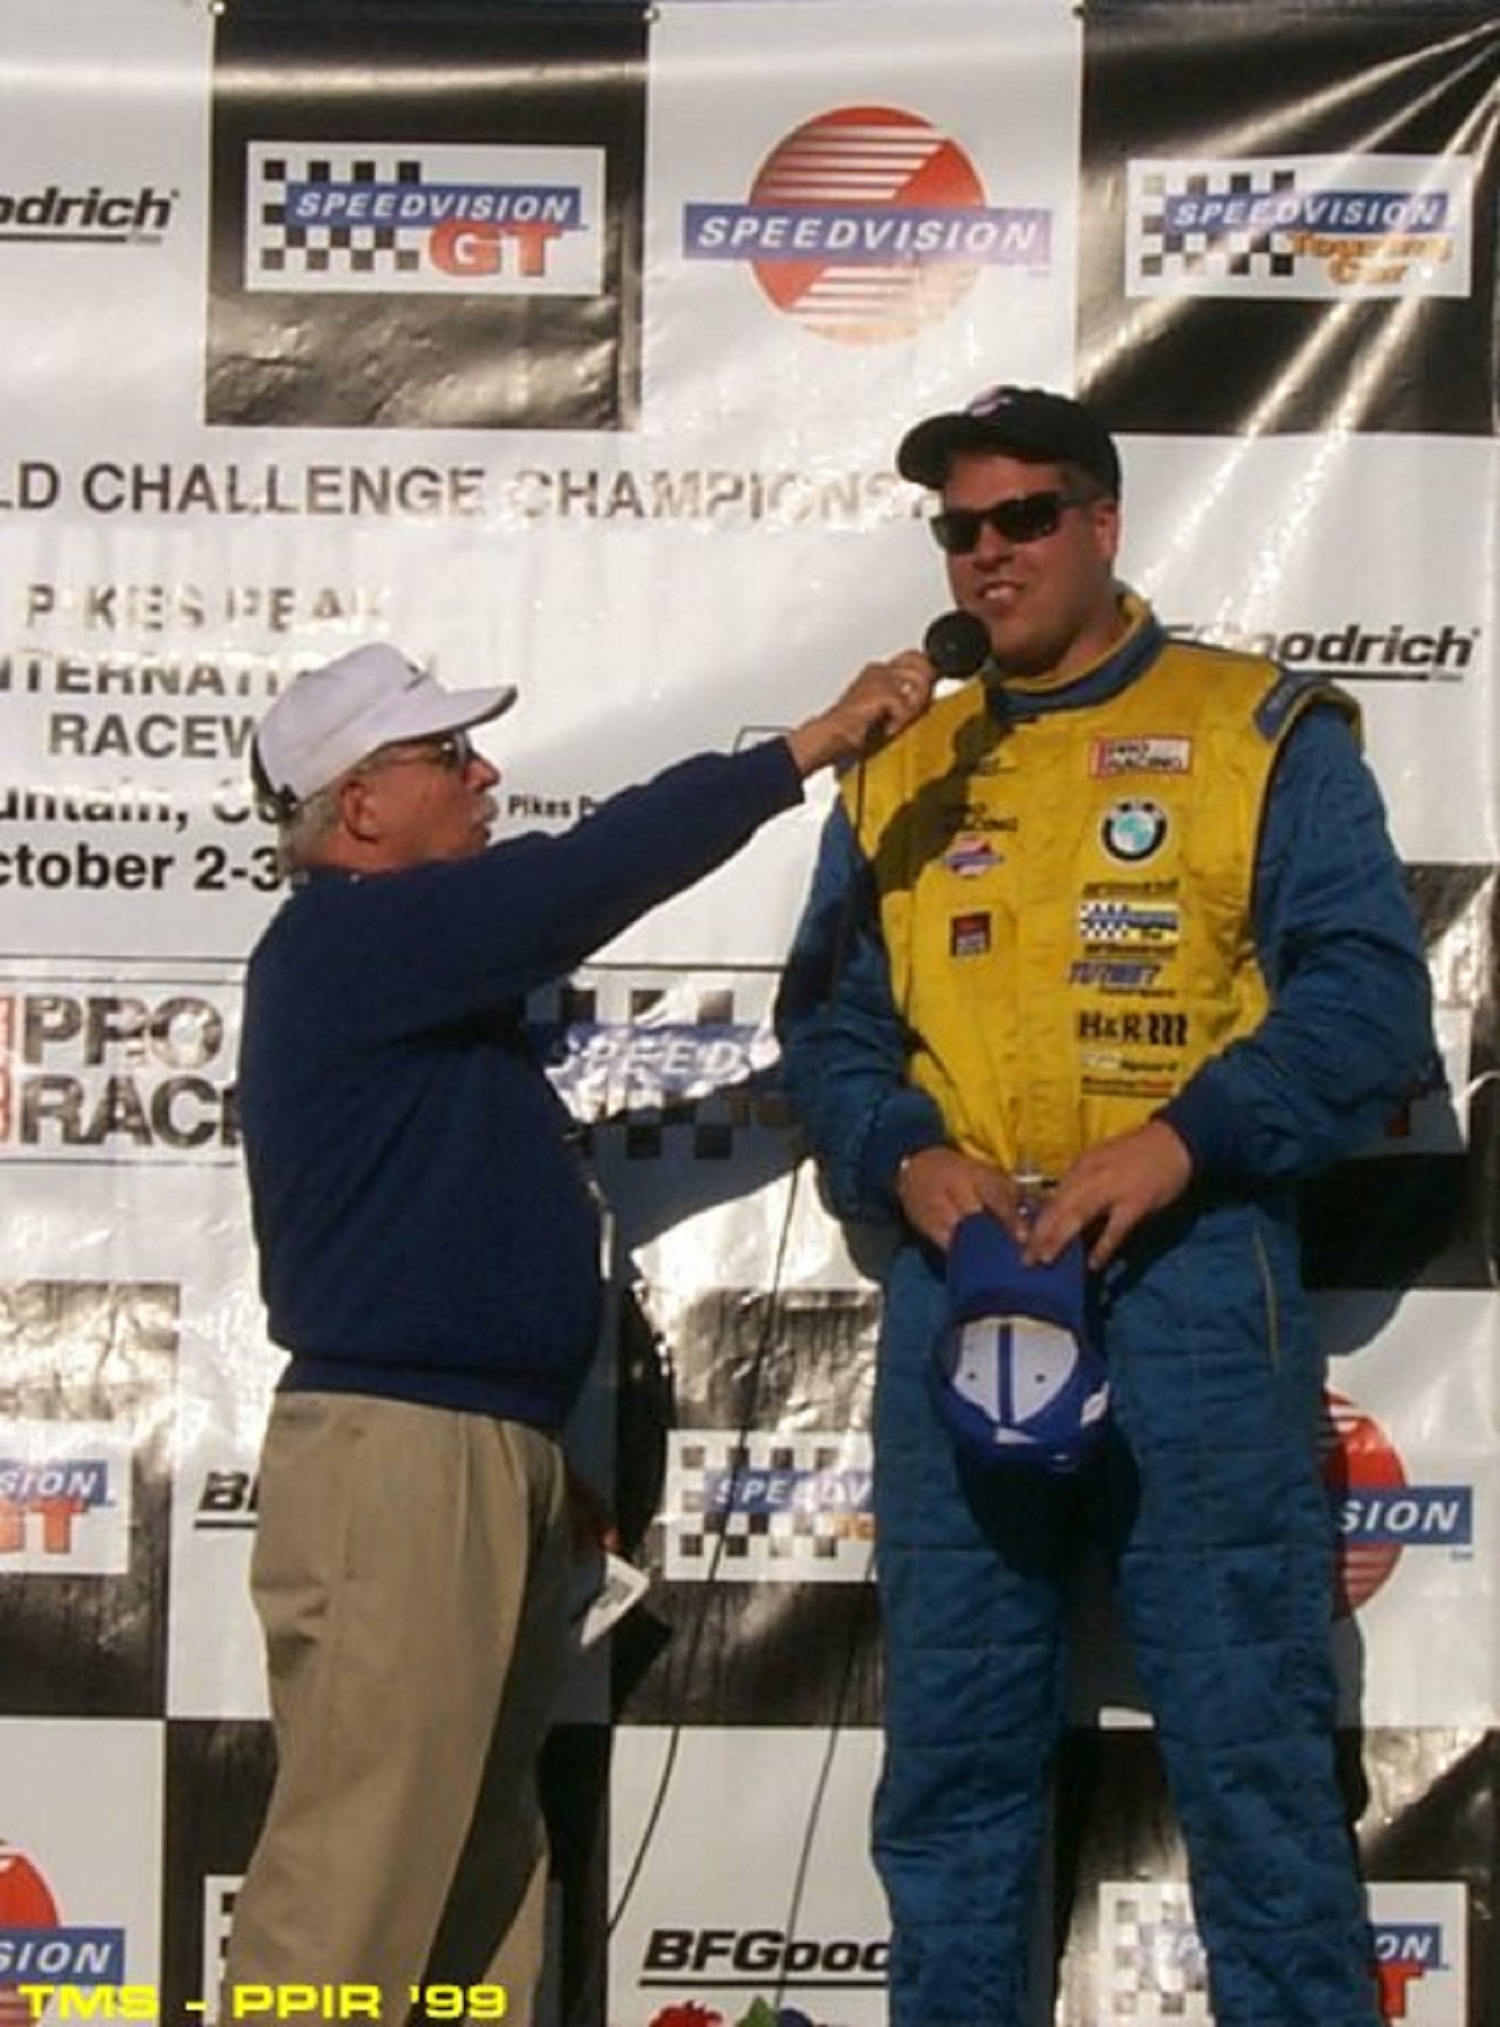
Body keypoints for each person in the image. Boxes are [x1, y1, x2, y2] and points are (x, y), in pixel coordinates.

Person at [774, 383, 1437, 2027]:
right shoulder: (900, 758)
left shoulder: (1258, 726)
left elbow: (1366, 1003)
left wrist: (1183, 1140)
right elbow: (831, 1026)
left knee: (1251, 1746)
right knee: (955, 1749)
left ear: (1102, 521)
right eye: (960, 529)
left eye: (1024, 517)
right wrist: (902, 1151)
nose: (988, 554)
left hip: (1192, 1275)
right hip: (968, 1278)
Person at [224, 639, 933, 2025]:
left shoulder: (415, 982)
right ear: (358, 807)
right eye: (447, 756)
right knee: (354, 1885)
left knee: (476, 1884)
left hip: (467, 1449)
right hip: (404, 1462)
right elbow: (592, 871)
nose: (487, 774)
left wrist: (532, 1463)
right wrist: (812, 744)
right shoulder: (353, 940)